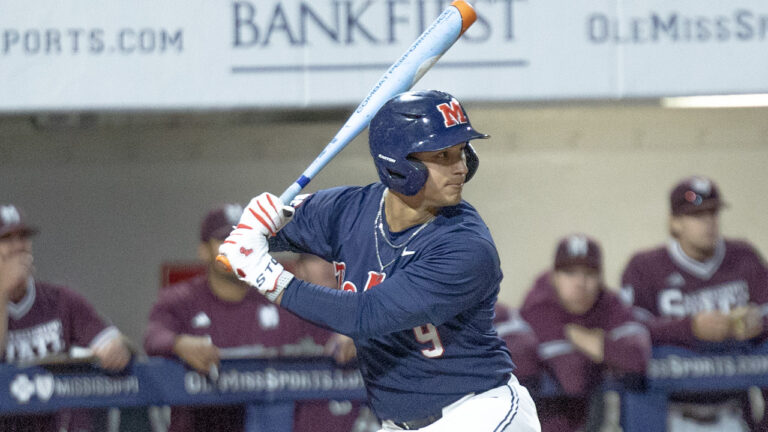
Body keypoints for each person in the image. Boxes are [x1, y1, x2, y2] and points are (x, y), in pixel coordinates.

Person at [217, 90, 541, 431]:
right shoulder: (347, 210)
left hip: (476, 413)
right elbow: (246, 240)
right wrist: (253, 223)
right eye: (443, 155)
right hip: (396, 424)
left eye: (461, 152)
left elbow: (365, 315)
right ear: (398, 163)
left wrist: (269, 278)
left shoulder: (465, 246)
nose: (460, 167)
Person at [144, 204, 373, 432]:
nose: (236, 247)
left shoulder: (276, 293)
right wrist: (179, 343)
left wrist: (346, 336)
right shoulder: (181, 299)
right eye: (224, 240)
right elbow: (153, 336)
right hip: (201, 422)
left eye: (242, 238)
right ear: (204, 250)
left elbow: (325, 331)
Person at [620, 176, 768, 431]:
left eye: (713, 212)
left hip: (734, 413)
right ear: (675, 222)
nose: (709, 222)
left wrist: (760, 322)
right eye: (697, 215)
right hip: (669, 414)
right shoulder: (645, 267)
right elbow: (627, 327)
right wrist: (690, 328)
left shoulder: (744, 257)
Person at [0, 204, 132, 431]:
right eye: (7, 239)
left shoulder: (61, 299)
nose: (18, 247)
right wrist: (3, 292)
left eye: (23, 237)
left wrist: (116, 348)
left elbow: (113, 340)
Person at [519, 234, 651, 432]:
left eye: (589, 273)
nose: (580, 282)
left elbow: (637, 358)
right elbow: (573, 378)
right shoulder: (538, 307)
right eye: (570, 273)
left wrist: (581, 337)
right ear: (554, 277)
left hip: (588, 420)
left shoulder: (608, 302)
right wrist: (608, 354)